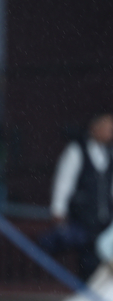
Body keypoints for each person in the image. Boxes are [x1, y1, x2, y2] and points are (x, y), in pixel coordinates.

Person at [44, 113, 113, 280]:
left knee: (102, 257)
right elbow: (64, 181)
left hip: (104, 217)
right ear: (94, 128)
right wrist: (58, 209)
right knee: (87, 258)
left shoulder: (109, 154)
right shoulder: (76, 150)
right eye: (107, 128)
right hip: (82, 215)